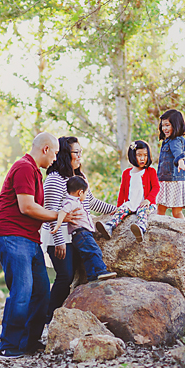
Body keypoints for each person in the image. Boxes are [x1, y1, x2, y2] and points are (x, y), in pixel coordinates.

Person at [0, 132, 82, 359]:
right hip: (12, 236)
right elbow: (27, 207)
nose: (55, 159)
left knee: (41, 293)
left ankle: (28, 343)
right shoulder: (24, 167)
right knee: (22, 291)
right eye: (55, 154)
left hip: (30, 239)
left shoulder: (34, 172)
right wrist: (59, 216)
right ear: (45, 149)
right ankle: (8, 346)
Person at [43, 136, 116, 319]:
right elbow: (50, 211)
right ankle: (47, 318)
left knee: (76, 277)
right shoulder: (54, 179)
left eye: (80, 152)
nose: (80, 156)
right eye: (76, 152)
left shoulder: (79, 177)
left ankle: (67, 317)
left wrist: (117, 210)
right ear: (64, 155)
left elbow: (91, 202)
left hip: (78, 234)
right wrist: (59, 241)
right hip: (59, 236)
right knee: (65, 277)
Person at [52, 176, 117, 281]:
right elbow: (62, 212)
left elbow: (93, 203)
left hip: (80, 234)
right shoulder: (71, 202)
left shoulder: (75, 202)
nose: (87, 196)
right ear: (80, 192)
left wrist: (116, 209)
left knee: (86, 255)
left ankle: (91, 276)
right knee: (94, 251)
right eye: (86, 193)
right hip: (82, 233)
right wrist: (58, 224)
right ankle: (101, 271)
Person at [97, 140, 159, 241]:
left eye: (145, 155)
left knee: (142, 212)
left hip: (147, 204)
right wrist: (119, 206)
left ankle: (141, 229)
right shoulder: (126, 173)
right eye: (139, 155)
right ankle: (109, 227)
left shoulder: (150, 171)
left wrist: (148, 200)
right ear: (132, 156)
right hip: (131, 203)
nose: (142, 158)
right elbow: (122, 191)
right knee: (121, 211)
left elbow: (156, 187)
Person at [156, 108, 185, 219]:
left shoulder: (175, 140)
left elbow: (178, 152)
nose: (164, 128)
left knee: (162, 210)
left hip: (171, 180)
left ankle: (161, 227)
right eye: (163, 125)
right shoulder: (169, 141)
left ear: (176, 125)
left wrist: (180, 162)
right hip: (171, 179)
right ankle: (183, 228)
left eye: (167, 125)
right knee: (176, 212)